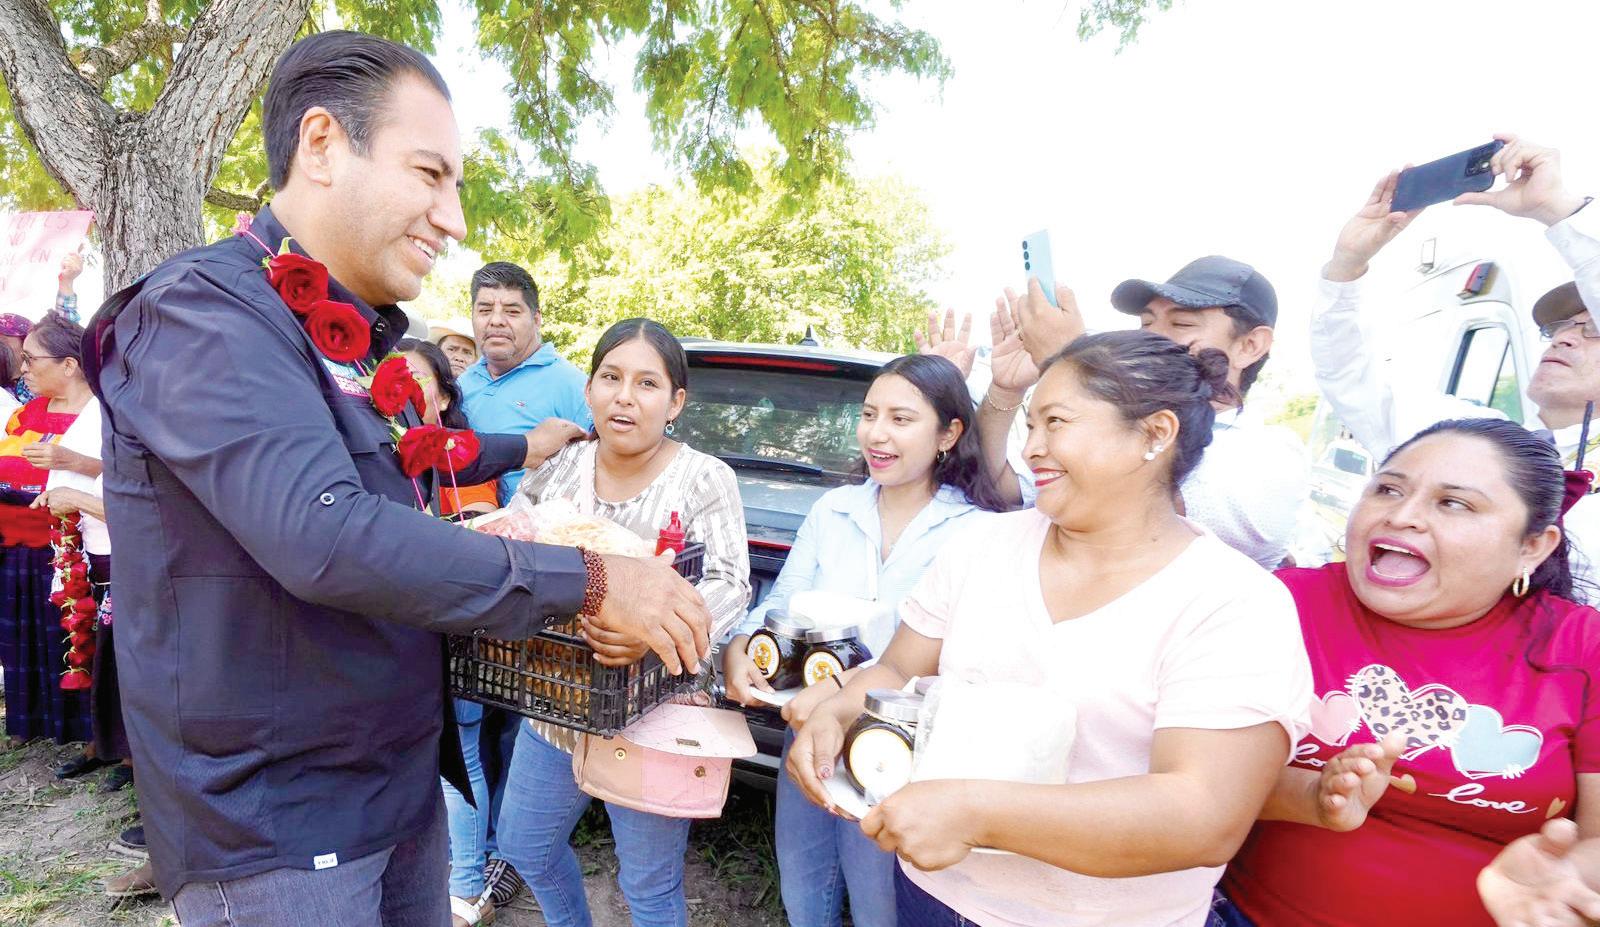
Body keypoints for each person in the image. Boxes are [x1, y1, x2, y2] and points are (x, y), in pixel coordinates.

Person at [86, 31, 712, 923]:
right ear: (322, 144)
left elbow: (393, 524)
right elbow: (326, 533)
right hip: (279, 828)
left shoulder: (357, 343)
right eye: (430, 174)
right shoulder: (201, 313)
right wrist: (591, 579)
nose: (454, 220)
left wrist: (495, 544)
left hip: (399, 787)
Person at [790, 330, 1313, 927]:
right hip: (933, 897)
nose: (1032, 448)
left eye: (1056, 422)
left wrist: (977, 814)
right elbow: (898, 668)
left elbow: (1202, 814)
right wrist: (837, 709)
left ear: (1155, 433)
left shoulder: (1234, 603)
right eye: (1030, 425)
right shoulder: (983, 545)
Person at [1217, 418, 1600, 926]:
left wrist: (1571, 883)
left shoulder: (1583, 645)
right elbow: (1188, 779)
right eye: (1388, 489)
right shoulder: (1275, 603)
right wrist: (1313, 795)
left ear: (1532, 547)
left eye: (1454, 503)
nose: (1402, 516)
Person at [721, 352, 1005, 927]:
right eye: (870, 414)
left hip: (901, 749)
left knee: (880, 899)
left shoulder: (977, 530)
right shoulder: (834, 509)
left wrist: (841, 690)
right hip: (807, 730)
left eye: (901, 419)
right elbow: (783, 603)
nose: (877, 433)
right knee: (804, 885)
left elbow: (959, 656)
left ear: (949, 434)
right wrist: (741, 644)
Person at [496, 317, 751, 927]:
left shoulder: (703, 478)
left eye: (647, 383)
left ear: (675, 402)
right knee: (524, 846)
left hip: (654, 707)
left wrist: (650, 630)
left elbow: (729, 583)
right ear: (589, 390)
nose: (625, 397)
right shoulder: (560, 468)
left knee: (649, 886)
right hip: (555, 699)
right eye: (611, 378)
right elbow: (513, 543)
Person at [1311, 136, 1600, 588]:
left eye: (1592, 328)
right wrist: (1346, 266)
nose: (1564, 337)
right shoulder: (1460, 435)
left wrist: (1556, 210)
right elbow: (1347, 374)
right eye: (1560, 326)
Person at [964, 259, 1309, 570]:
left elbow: (1144, 510)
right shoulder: (1099, 419)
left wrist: (1067, 360)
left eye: (1181, 323)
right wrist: (1006, 389)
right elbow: (998, 487)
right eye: (1146, 323)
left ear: (1250, 345)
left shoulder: (1271, 455)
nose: (1155, 337)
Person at [0, 316, 94, 750]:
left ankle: (83, 730)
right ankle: (30, 720)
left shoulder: (99, 414)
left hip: (71, 546)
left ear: (69, 365)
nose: (23, 369)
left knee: (70, 635)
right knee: (24, 636)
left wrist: (68, 463)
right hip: (17, 543)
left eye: (31, 359)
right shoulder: (25, 413)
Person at [459, 261, 592, 505]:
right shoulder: (460, 384)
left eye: (512, 311)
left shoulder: (574, 386)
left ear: (536, 319)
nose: (496, 321)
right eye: (485, 310)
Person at [398, 337, 497, 519]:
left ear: (444, 398)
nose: (400, 388)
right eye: (391, 378)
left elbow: (480, 521)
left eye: (416, 380)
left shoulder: (459, 453)